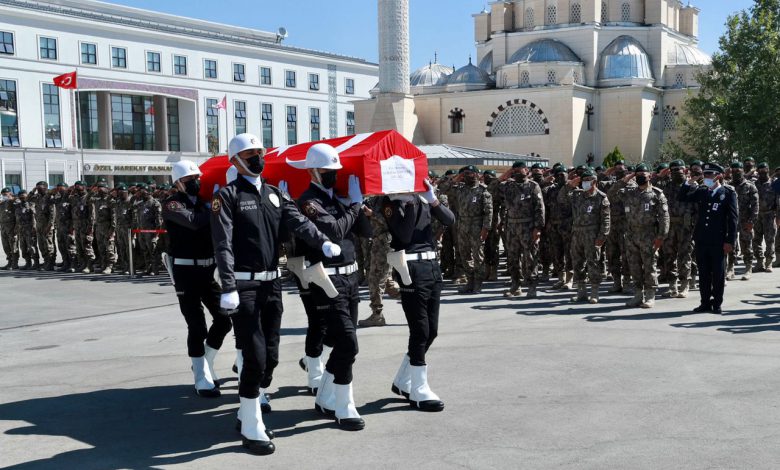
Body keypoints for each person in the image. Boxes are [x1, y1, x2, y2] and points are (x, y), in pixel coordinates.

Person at [211, 134, 340, 455]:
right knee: (253, 356)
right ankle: (252, 423)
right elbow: (222, 243)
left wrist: (321, 241)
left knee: (270, 357)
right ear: (235, 160)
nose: (257, 158)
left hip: (272, 285)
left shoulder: (272, 194)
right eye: (250, 154)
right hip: (244, 286)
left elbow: (296, 221)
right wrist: (228, 286)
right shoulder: (227, 196)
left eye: (259, 153)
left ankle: (247, 403)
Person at [295, 143, 372, 431]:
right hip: (327, 280)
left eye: (335, 171)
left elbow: (367, 232)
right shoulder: (308, 202)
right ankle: (344, 405)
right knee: (348, 343)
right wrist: (353, 205)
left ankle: (325, 396)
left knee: (343, 343)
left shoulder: (339, 200)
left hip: (350, 278)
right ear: (313, 171)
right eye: (328, 172)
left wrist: (359, 207)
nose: (333, 176)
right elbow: (335, 231)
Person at [162, 160, 233, 398]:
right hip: (185, 272)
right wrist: (214, 206)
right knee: (197, 325)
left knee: (224, 320)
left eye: (197, 179)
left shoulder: (204, 203)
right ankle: (201, 377)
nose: (195, 183)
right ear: (178, 183)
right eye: (190, 180)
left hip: (207, 271)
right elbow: (193, 222)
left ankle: (204, 362)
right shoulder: (172, 204)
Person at [383, 180, 454, 411]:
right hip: (410, 267)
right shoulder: (391, 201)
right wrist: (411, 202)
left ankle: (403, 380)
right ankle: (419, 389)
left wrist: (431, 200)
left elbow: (449, 220)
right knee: (420, 330)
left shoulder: (423, 198)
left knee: (431, 330)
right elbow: (403, 235)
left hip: (431, 266)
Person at [678, 163, 738, 314]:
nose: (706, 178)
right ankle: (704, 302)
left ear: (718, 176)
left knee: (718, 273)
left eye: (709, 175)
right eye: (704, 175)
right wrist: (689, 182)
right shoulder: (702, 191)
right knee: (703, 273)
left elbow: (733, 220)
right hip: (702, 239)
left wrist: (730, 241)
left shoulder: (728, 193)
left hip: (718, 241)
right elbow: (682, 197)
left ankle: (717, 303)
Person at [616, 163, 669, 308]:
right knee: (634, 267)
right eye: (637, 175)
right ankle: (638, 294)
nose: (640, 177)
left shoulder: (657, 194)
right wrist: (626, 179)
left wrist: (661, 237)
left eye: (643, 175)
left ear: (650, 176)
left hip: (649, 235)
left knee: (649, 266)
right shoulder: (629, 192)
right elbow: (611, 194)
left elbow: (665, 217)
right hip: (632, 235)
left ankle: (650, 295)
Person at [438, 166, 492, 293]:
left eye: (471, 173)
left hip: (477, 226)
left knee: (478, 255)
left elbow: (488, 212)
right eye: (466, 174)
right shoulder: (460, 189)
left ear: (478, 175)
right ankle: (470, 280)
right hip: (462, 226)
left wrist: (486, 228)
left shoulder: (483, 191)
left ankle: (478, 282)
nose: (468, 176)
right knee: (464, 254)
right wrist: (457, 178)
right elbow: (443, 189)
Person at [560, 169, 610, 304]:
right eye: (583, 180)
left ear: (594, 181)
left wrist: (602, 237)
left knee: (593, 263)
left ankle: (594, 292)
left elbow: (605, 220)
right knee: (577, 263)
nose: (584, 183)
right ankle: (581, 292)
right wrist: (570, 184)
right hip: (577, 233)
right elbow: (561, 198)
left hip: (592, 234)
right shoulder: (577, 195)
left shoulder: (601, 197)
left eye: (588, 180)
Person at [497, 162, 544, 298]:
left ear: (526, 170)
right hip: (511, 227)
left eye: (520, 169)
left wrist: (538, 228)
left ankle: (531, 286)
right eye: (515, 170)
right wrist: (507, 173)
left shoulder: (533, 186)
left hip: (528, 226)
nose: (518, 172)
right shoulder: (508, 186)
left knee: (530, 257)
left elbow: (539, 208)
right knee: (512, 258)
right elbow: (492, 187)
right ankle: (515, 285)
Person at [660, 161, 697, 298]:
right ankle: (672, 285)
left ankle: (684, 285)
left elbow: (698, 209)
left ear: (685, 170)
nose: (677, 172)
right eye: (673, 170)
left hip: (686, 227)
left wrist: (695, 226)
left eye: (679, 169)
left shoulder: (693, 187)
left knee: (685, 256)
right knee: (669, 256)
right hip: (670, 227)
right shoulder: (666, 187)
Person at [726, 162, 758, 280]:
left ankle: (748, 268)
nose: (736, 173)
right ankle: (730, 268)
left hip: (745, 220)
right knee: (731, 245)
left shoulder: (750, 186)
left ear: (743, 171)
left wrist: (752, 221)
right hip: (732, 221)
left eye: (738, 170)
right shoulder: (728, 186)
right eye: (733, 171)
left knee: (746, 245)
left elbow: (755, 206)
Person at [752, 162, 777, 272]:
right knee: (756, 239)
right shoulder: (754, 184)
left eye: (764, 170)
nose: (762, 172)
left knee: (769, 240)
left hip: (770, 215)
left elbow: (778, 200)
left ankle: (769, 262)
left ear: (768, 170)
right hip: (756, 215)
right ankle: (759, 262)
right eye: (760, 170)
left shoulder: (774, 184)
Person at [69, 181, 96, 273]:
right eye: (76, 185)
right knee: (79, 246)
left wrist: (90, 227)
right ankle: (83, 264)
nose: (76, 187)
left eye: (79, 186)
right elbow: (67, 198)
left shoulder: (88, 198)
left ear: (84, 187)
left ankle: (89, 266)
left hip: (86, 225)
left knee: (87, 245)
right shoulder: (74, 198)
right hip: (77, 225)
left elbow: (92, 214)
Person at [92, 181, 118, 274]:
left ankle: (110, 266)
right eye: (98, 188)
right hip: (99, 228)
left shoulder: (110, 201)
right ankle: (103, 265)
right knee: (101, 248)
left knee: (109, 248)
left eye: (101, 188)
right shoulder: (97, 200)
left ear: (106, 189)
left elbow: (114, 217)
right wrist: (92, 191)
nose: (99, 189)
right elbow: (86, 200)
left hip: (108, 228)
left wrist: (112, 230)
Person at [30, 181, 56, 271]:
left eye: (39, 187)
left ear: (45, 187)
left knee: (48, 245)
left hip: (47, 225)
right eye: (37, 188)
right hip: (39, 225)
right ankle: (46, 261)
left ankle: (50, 263)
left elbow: (53, 213)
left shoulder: (49, 196)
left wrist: (50, 225)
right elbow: (29, 199)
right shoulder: (37, 197)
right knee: (41, 245)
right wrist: (33, 191)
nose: (38, 189)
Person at [53, 183, 76, 273]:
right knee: (62, 246)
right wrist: (51, 192)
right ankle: (66, 263)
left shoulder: (71, 198)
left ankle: (73, 264)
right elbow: (47, 200)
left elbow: (74, 214)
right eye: (58, 188)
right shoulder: (58, 199)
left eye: (61, 188)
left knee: (71, 246)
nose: (59, 190)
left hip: (68, 227)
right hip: (60, 227)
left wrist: (72, 227)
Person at [15, 190, 39, 270]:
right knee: (23, 247)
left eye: (23, 195)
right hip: (21, 230)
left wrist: (34, 227)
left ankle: (36, 263)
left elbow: (34, 216)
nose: (22, 197)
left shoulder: (31, 204)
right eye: (20, 195)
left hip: (30, 229)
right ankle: (28, 263)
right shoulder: (18, 205)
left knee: (32, 247)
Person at [0, 188, 19, 270]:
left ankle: (15, 263)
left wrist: (13, 198)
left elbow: (20, 202)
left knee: (13, 245)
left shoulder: (14, 201)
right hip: (3, 226)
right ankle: (9, 262)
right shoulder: (2, 203)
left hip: (12, 226)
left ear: (10, 193)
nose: (4, 195)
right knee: (6, 245)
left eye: (6, 193)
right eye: (3, 194)